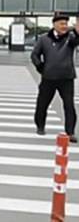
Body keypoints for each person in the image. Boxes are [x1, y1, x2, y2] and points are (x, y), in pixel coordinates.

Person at [31, 13, 78, 142]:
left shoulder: (70, 38)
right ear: (54, 25)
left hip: (66, 78)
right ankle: (40, 126)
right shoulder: (44, 39)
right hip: (48, 78)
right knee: (42, 104)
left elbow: (77, 41)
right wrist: (40, 67)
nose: (64, 26)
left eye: (66, 24)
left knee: (69, 105)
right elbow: (34, 55)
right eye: (62, 24)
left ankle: (70, 132)